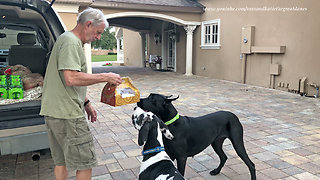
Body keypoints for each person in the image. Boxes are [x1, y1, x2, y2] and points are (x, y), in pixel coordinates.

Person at [40, 8, 122, 180]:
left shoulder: (65, 39)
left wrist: (86, 103)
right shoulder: (71, 42)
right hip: (68, 115)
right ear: (88, 24)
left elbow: (65, 81)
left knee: (60, 161)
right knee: (85, 163)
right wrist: (106, 76)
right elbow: (71, 78)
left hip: (54, 112)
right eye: (98, 32)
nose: (99, 37)